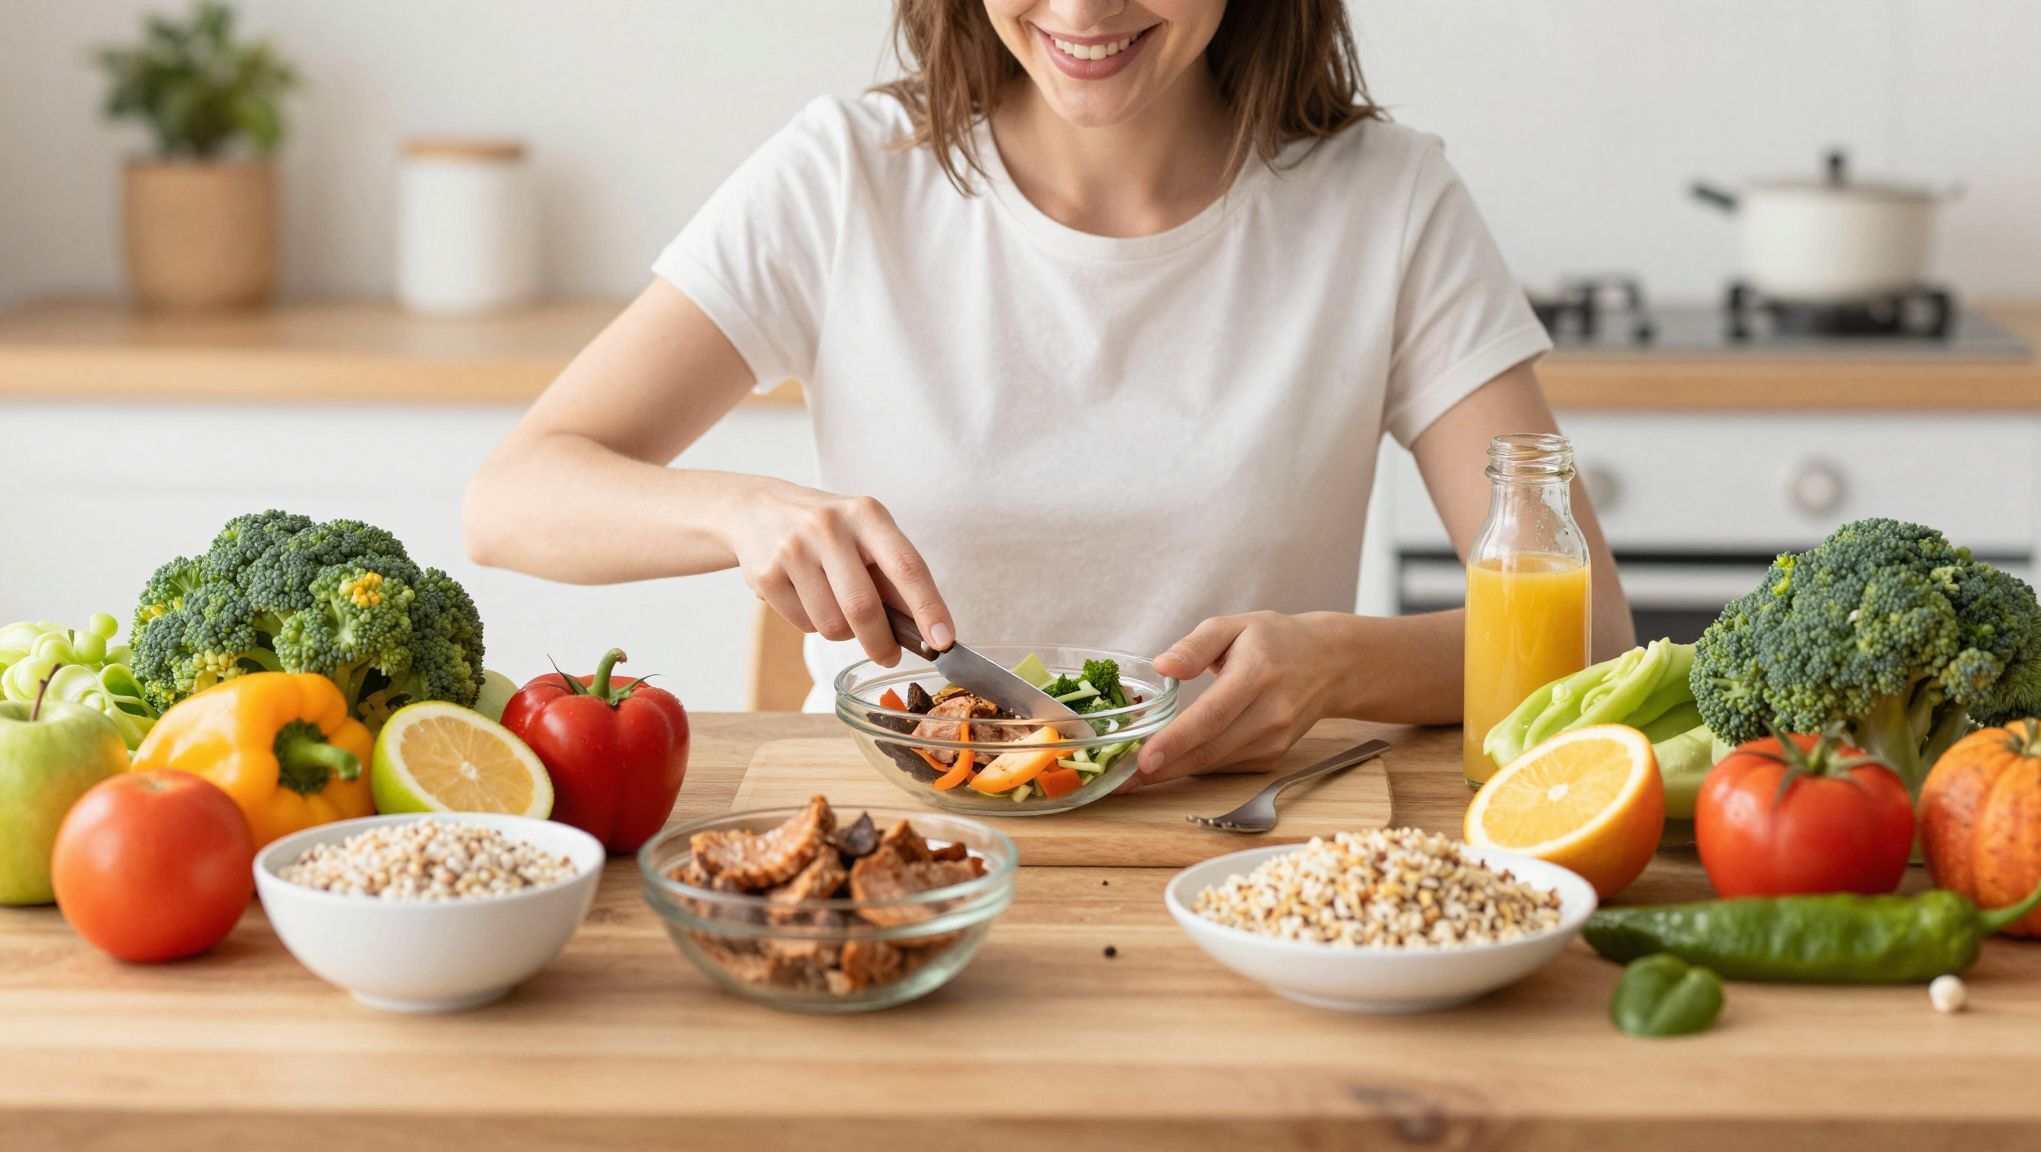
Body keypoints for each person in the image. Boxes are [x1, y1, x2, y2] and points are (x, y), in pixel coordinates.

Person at [464, 0, 1633, 787]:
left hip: (1240, 859)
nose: (1079, 13)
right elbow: (513, 497)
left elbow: (1591, 635)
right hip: (909, 846)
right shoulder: (845, 177)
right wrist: (740, 511)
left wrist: (1339, 661)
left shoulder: (1384, 202)